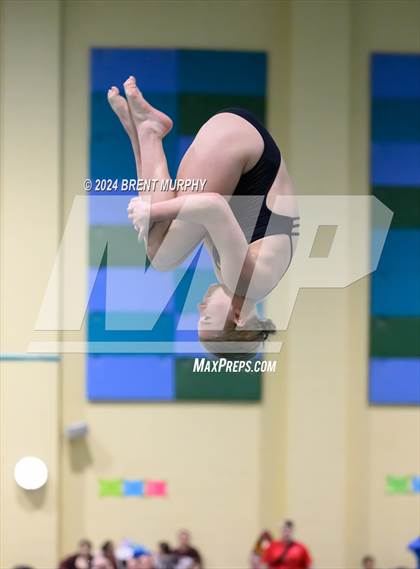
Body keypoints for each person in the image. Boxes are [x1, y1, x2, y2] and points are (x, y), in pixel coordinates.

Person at [108, 75, 299, 358]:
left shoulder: (245, 278)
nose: (199, 308)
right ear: (238, 318)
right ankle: (147, 132)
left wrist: (153, 212)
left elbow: (188, 210)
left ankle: (142, 135)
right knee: (161, 256)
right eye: (206, 319)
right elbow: (213, 207)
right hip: (239, 147)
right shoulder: (249, 281)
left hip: (241, 141)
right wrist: (151, 211)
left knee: (162, 242)